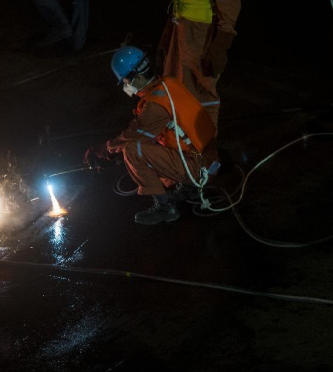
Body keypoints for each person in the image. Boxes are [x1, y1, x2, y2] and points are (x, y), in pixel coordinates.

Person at [85, 46, 219, 225]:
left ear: (137, 77)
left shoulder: (154, 106)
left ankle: (166, 208)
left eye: (125, 80)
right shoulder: (169, 83)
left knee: (133, 151)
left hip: (198, 168)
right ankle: (187, 187)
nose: (126, 85)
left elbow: (131, 137)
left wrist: (106, 149)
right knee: (152, 142)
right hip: (210, 157)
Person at [156, 0, 241, 130]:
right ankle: (179, 140)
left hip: (199, 31)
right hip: (181, 24)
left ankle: (204, 144)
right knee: (174, 81)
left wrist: (221, 43)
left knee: (200, 89)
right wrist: (168, 32)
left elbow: (230, 4)